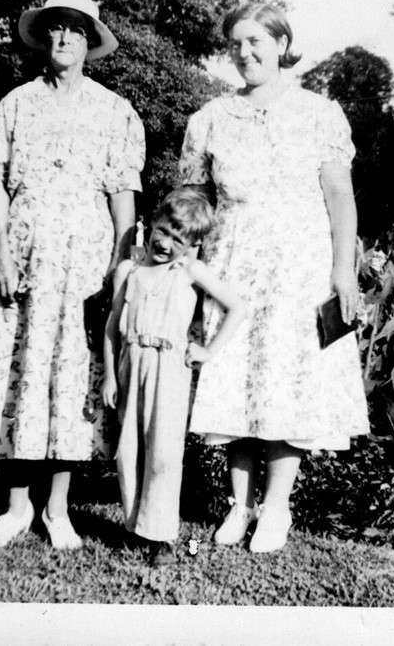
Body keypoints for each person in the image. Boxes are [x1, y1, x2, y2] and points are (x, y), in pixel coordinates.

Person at [178, 2, 370, 553]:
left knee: (287, 384)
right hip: (231, 264)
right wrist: (181, 264)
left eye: (257, 41)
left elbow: (340, 197)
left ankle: (277, 509)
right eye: (236, 43)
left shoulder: (319, 113)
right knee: (234, 379)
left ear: (283, 44)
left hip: (298, 266)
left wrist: (342, 271)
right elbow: (192, 200)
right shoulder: (209, 119)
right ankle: (239, 507)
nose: (246, 52)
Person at [0, 0, 146, 550]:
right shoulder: (13, 105)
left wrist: (121, 263)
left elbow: (123, 198)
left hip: (85, 263)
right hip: (25, 254)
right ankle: (16, 507)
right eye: (56, 28)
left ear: (90, 41)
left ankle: (58, 509)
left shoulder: (115, 112)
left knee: (71, 375)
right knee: (20, 367)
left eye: (75, 29)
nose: (64, 37)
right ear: (45, 37)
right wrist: (1, 253)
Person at [101, 188, 245, 566]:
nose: (165, 244)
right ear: (151, 224)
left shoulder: (190, 272)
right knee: (128, 449)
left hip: (170, 368)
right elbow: (112, 328)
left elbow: (237, 306)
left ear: (193, 244)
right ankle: (134, 526)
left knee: (163, 452)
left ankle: (161, 535)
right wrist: (110, 377)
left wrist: (208, 351)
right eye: (162, 232)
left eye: (179, 240)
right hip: (131, 362)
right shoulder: (128, 271)